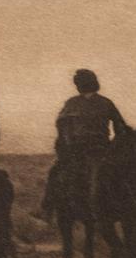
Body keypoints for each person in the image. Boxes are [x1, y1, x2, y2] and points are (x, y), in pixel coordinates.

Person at [37, 69, 128, 218]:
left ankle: (47, 209)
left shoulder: (76, 103)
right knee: (56, 171)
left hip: (89, 150)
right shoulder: (101, 102)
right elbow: (120, 128)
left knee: (56, 172)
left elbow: (60, 123)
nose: (77, 85)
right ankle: (48, 209)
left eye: (78, 82)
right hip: (91, 150)